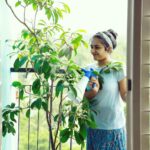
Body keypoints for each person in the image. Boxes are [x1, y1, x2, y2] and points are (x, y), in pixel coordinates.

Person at [82, 29, 127, 150]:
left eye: (97, 47)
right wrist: (92, 92)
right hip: (93, 126)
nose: (92, 51)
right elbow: (83, 97)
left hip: (112, 127)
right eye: (91, 47)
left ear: (109, 49)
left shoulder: (118, 68)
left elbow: (125, 96)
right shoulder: (88, 69)